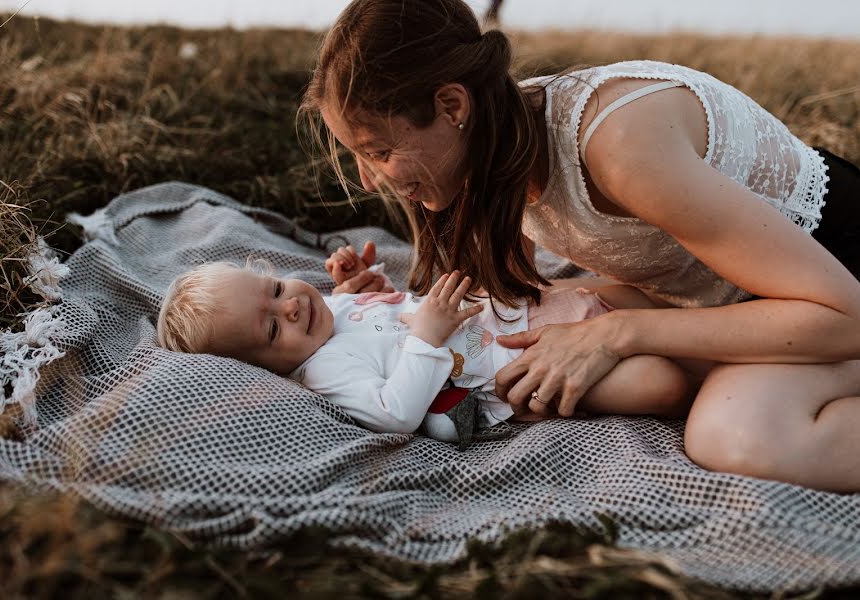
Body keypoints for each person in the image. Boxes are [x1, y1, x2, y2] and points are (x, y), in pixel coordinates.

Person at [298, 0, 860, 490]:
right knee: (537, 312)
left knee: (737, 435)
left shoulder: (619, 147)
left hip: (833, 283)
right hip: (735, 296)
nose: (369, 180)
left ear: (452, 106)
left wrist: (614, 334)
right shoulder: (492, 149)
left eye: (376, 151)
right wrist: (380, 308)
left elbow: (845, 314)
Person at [156, 253, 700, 446]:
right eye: (272, 329)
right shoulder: (324, 371)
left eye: (276, 290)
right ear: (266, 371)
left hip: (511, 313)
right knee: (660, 383)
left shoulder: (322, 312)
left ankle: (726, 338)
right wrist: (425, 338)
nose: (292, 307)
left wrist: (358, 285)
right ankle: (710, 389)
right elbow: (394, 413)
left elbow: (381, 313)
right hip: (517, 369)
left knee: (627, 297)